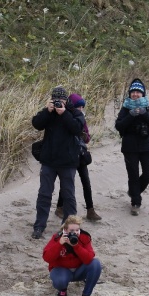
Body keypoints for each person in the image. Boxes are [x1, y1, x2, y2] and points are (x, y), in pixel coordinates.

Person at [31, 86, 85, 239]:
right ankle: (39, 226)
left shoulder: (74, 112)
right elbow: (36, 124)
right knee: (44, 194)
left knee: (68, 196)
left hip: (68, 162)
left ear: (66, 100)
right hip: (49, 161)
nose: (58, 102)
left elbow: (77, 128)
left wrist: (64, 113)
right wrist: (47, 111)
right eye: (55, 99)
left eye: (61, 99)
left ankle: (69, 228)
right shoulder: (48, 112)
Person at [115, 78, 149, 216]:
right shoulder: (125, 108)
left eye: (138, 92)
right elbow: (119, 126)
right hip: (130, 147)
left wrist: (144, 113)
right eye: (133, 92)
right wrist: (130, 115)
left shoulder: (147, 107)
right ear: (129, 93)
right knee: (133, 175)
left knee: (148, 173)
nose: (135, 94)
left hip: (146, 145)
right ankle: (136, 202)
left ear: (143, 94)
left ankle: (133, 191)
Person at [54, 93, 102, 221]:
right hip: (69, 155)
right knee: (67, 183)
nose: (80, 109)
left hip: (80, 154)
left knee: (86, 182)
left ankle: (90, 210)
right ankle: (59, 207)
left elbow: (87, 138)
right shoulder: (67, 118)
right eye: (78, 106)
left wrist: (84, 135)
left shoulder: (81, 118)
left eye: (82, 107)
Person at [42, 215, 102, 296]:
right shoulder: (57, 238)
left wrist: (76, 246)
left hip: (79, 270)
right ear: (65, 230)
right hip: (62, 270)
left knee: (96, 263)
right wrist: (59, 244)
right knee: (60, 282)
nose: (75, 233)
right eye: (72, 231)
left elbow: (89, 258)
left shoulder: (84, 237)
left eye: (77, 230)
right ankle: (63, 288)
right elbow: (47, 258)